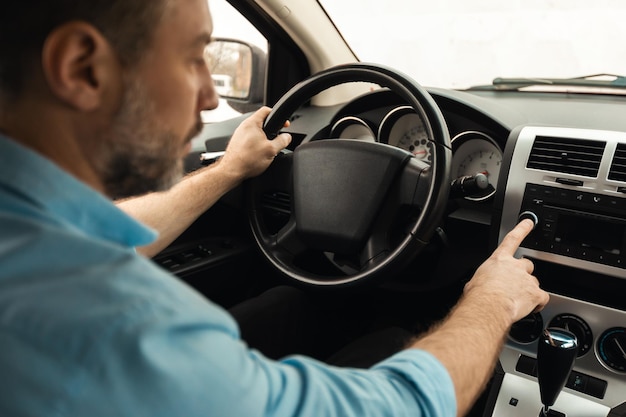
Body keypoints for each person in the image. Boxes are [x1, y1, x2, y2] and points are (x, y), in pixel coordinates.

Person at [0, 1, 549, 416]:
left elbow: (113, 231)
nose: (211, 97)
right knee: (391, 342)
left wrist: (229, 170)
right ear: (81, 68)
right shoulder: (114, 326)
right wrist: (491, 301)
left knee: (293, 303)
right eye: (194, 57)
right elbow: (386, 405)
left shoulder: (29, 225)